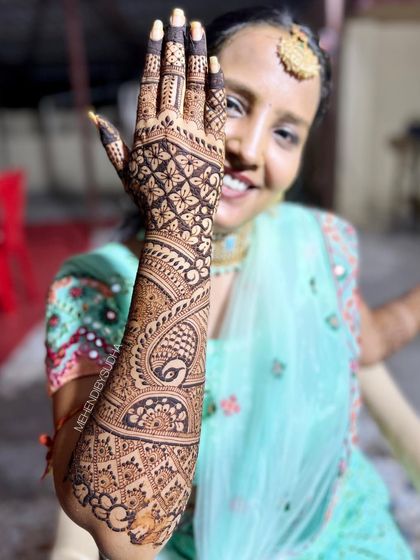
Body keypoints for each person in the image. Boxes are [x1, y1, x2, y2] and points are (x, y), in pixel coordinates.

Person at [43, 6, 420, 560]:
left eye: (287, 133)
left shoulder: (314, 242)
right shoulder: (92, 289)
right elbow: (123, 538)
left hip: (341, 536)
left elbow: (366, 340)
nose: (249, 148)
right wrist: (178, 235)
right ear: (166, 99)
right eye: (231, 104)